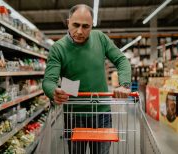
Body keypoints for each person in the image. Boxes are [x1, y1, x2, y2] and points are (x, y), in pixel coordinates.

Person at [42, 4, 131, 154]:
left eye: (86, 27)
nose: (79, 31)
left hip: (102, 113)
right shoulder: (58, 48)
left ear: (92, 26)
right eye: (75, 25)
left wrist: (124, 84)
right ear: (68, 22)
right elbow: (48, 81)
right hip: (74, 116)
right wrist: (53, 91)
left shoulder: (100, 38)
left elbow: (122, 60)